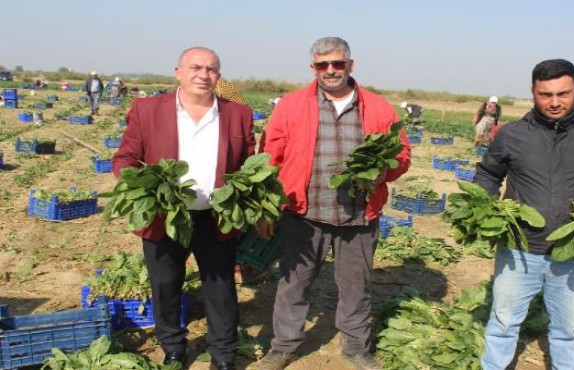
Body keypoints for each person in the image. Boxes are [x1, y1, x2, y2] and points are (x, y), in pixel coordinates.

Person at [252, 36, 411, 370]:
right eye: (322, 65)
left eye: (337, 63)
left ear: (350, 65)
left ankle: (355, 347)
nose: (330, 70)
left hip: (358, 214)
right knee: (294, 283)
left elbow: (402, 153)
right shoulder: (291, 105)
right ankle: (283, 347)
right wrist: (265, 206)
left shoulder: (379, 107)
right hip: (304, 211)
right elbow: (269, 157)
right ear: (313, 68)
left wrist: (385, 171)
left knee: (356, 286)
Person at [475, 59, 574, 370]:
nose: (554, 102)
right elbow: (488, 174)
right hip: (519, 249)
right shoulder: (512, 134)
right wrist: (485, 207)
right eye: (545, 94)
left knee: (567, 330)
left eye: (563, 93)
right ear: (533, 92)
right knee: (503, 323)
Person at [112, 46, 256, 370]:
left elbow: (248, 162)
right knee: (165, 286)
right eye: (195, 67)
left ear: (219, 76)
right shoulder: (147, 109)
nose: (203, 75)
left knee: (220, 289)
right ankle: (174, 348)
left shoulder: (238, 114)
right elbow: (125, 158)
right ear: (178, 72)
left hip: (216, 218)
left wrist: (246, 194)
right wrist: (141, 184)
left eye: (211, 69)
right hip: (164, 217)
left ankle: (223, 355)